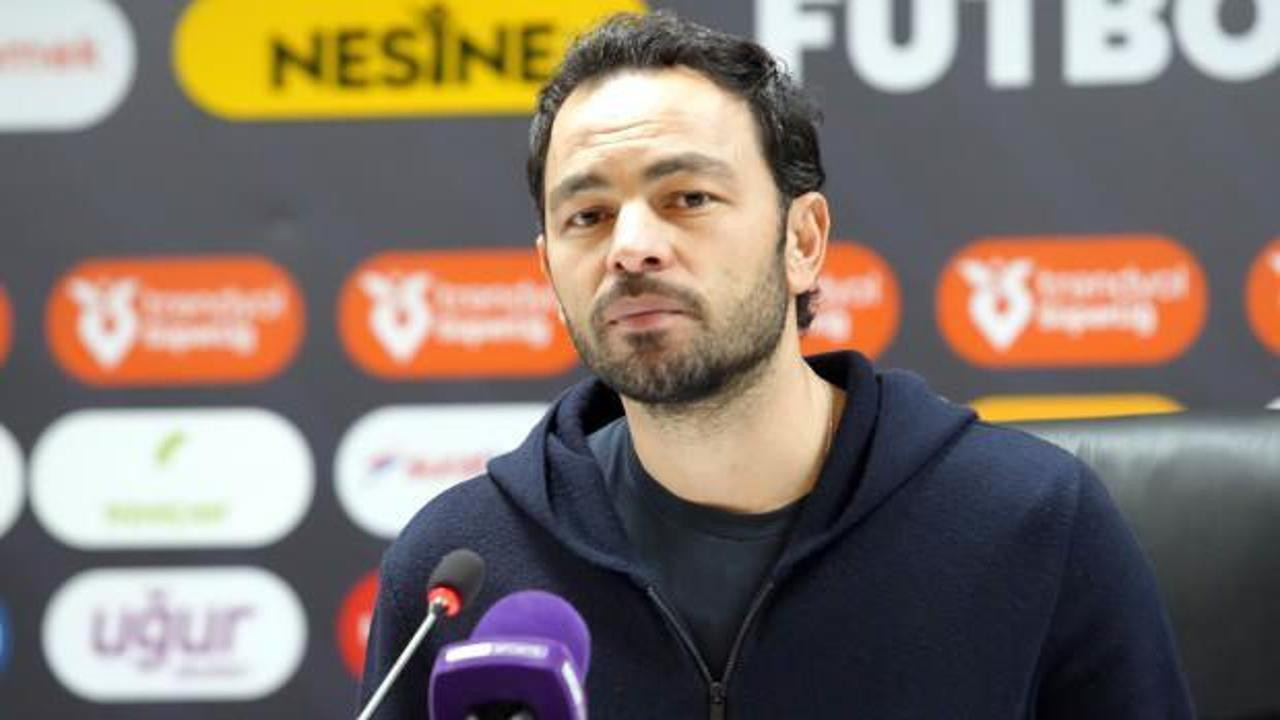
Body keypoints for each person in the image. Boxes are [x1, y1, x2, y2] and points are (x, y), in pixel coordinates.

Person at [360, 11, 1193, 719]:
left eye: (688, 198)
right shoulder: (458, 572)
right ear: (549, 269)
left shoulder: (1030, 522)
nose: (632, 246)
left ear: (803, 241)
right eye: (588, 215)